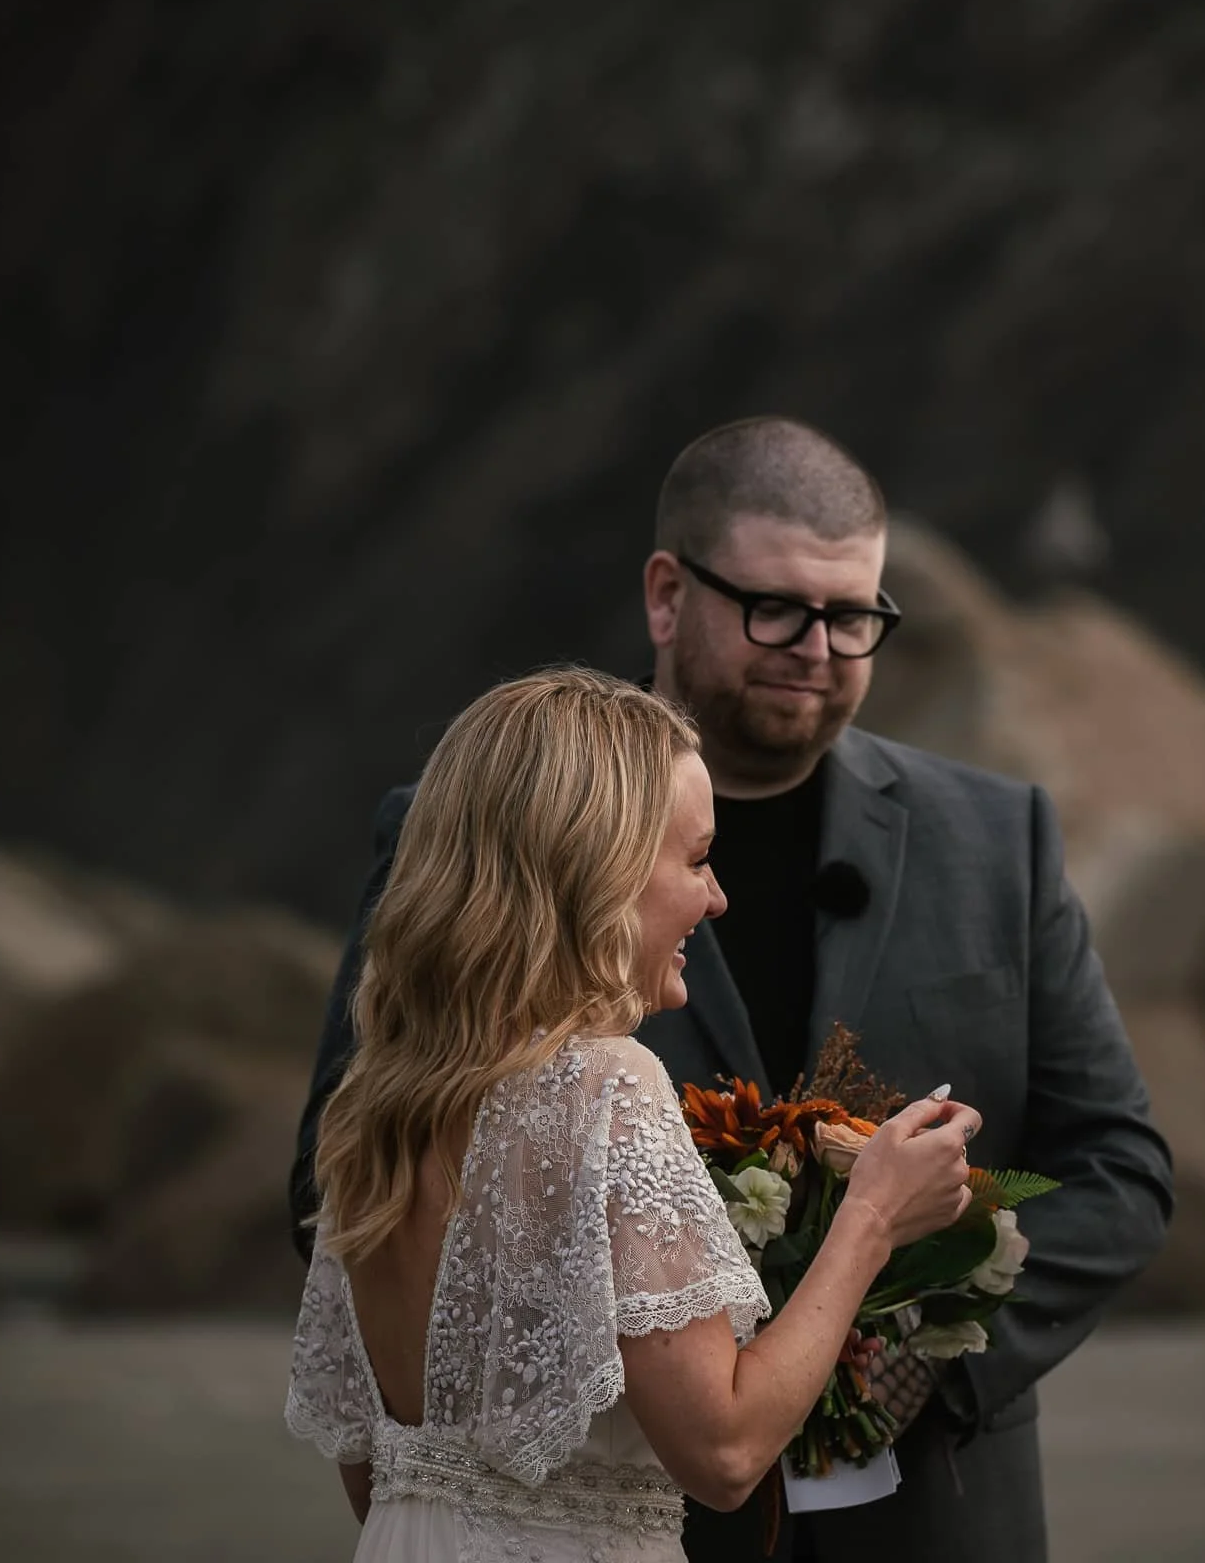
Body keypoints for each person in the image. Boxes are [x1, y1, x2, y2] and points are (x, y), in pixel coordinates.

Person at [292, 417, 1174, 1561]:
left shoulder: (1001, 837)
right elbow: (348, 1170)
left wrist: (921, 1351)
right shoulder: (469, 839)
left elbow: (1119, 1163)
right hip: (647, 1493)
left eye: (853, 616)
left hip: (924, 1516)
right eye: (777, 608)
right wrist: (738, 1303)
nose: (818, 647)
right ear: (668, 595)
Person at [288, 667, 984, 1561]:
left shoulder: (372, 1104)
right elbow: (725, 1454)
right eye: (695, 860)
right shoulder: (606, 1084)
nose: (717, 897)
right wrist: (873, 1217)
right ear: (596, 871)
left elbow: (374, 1477)